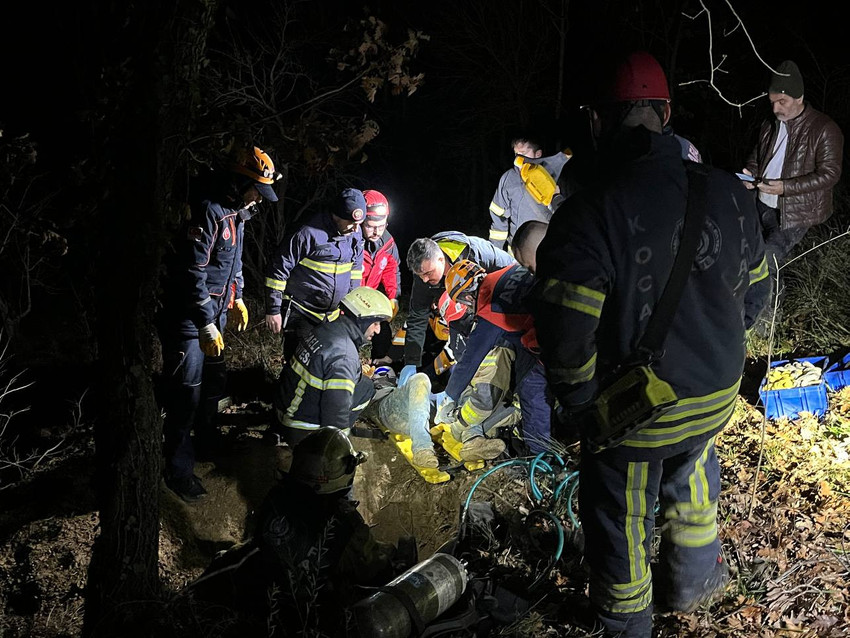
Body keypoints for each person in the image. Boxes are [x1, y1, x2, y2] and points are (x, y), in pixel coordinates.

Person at [530, 51, 769, 637]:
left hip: (639, 416)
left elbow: (567, 336)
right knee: (691, 473)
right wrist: (714, 345)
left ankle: (627, 622)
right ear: (666, 113)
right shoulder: (727, 191)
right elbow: (757, 293)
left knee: (621, 513)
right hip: (716, 394)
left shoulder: (590, 214)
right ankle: (691, 587)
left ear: (597, 122)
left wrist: (584, 405)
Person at [184, 426, 410, 635]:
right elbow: (373, 569)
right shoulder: (346, 526)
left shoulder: (278, 496)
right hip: (304, 612)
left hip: (260, 587)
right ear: (342, 472)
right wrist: (393, 556)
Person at [157, 146, 280, 503]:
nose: (258, 198)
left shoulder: (237, 213)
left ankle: (207, 443)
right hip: (189, 320)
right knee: (185, 393)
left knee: (214, 382)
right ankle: (178, 470)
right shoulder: (209, 211)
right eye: (256, 189)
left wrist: (238, 295)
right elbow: (192, 272)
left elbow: (233, 261)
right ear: (239, 180)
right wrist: (206, 322)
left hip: (218, 312)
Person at [742, 60, 844, 329]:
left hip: (797, 212)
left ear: (799, 97)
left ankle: (764, 325)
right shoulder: (770, 124)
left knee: (767, 258)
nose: (776, 108)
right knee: (750, 255)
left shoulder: (824, 128)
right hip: (762, 203)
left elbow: (830, 174)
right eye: (772, 101)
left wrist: (786, 187)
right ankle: (756, 305)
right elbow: (757, 158)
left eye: (783, 101)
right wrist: (749, 176)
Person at [435, 252, 552, 459]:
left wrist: (450, 396)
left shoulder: (490, 311)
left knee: (530, 389)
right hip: (566, 308)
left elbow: (469, 361)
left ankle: (541, 460)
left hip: (550, 335)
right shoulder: (508, 270)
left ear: (468, 296)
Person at [273, 286, 394, 447]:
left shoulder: (327, 328)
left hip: (285, 410)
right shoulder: (344, 354)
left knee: (364, 385)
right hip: (302, 429)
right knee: (366, 389)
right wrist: (339, 449)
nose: (378, 330)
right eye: (376, 323)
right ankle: (319, 446)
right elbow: (336, 411)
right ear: (362, 320)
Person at [401, 232, 515, 387]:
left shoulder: (476, 252)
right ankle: (466, 380)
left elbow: (514, 270)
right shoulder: (424, 271)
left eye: (428, 273)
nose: (425, 280)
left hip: (493, 299)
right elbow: (417, 316)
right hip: (460, 309)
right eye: (420, 276)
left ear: (441, 259)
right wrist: (411, 362)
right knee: (457, 344)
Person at [264, 188, 366, 361]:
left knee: (325, 363)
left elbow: (355, 270)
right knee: (298, 363)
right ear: (337, 215)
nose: (357, 228)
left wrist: (352, 308)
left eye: (360, 223)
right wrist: (273, 309)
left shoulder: (354, 233)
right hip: (302, 312)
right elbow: (279, 268)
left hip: (331, 317)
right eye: (351, 222)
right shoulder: (307, 232)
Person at [488, 136, 572, 251]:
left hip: (550, 251)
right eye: (516, 153)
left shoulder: (557, 178)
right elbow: (498, 219)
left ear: (538, 154)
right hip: (517, 255)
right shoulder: (508, 178)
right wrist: (494, 252)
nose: (518, 158)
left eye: (523, 153)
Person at [360, 189, 401, 363]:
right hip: (347, 303)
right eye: (370, 226)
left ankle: (379, 369)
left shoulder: (387, 243)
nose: (377, 232)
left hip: (369, 300)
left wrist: (393, 298)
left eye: (382, 226)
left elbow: (392, 270)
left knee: (383, 331)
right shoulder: (350, 242)